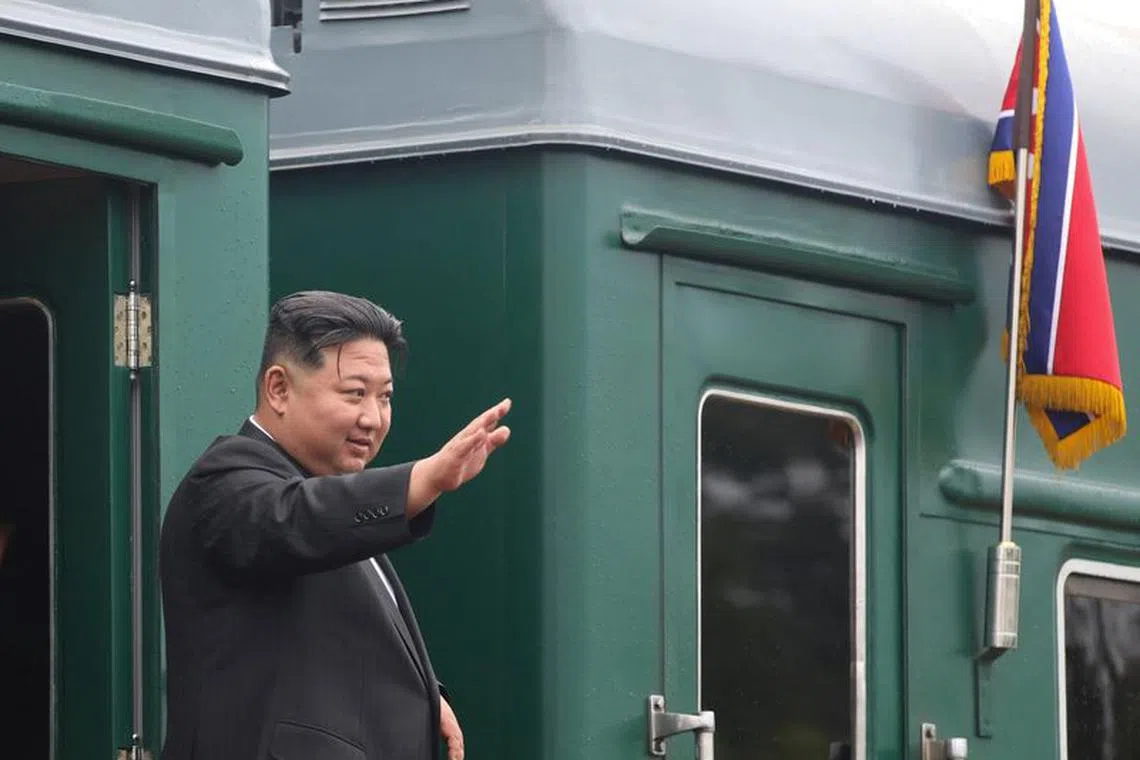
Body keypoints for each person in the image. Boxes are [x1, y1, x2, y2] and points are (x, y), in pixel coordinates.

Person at [159, 291, 510, 760]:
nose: (373, 418)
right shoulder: (224, 482)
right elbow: (297, 519)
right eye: (355, 394)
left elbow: (334, 641)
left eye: (385, 397)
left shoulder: (327, 495)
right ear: (279, 389)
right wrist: (423, 479)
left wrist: (427, 695)